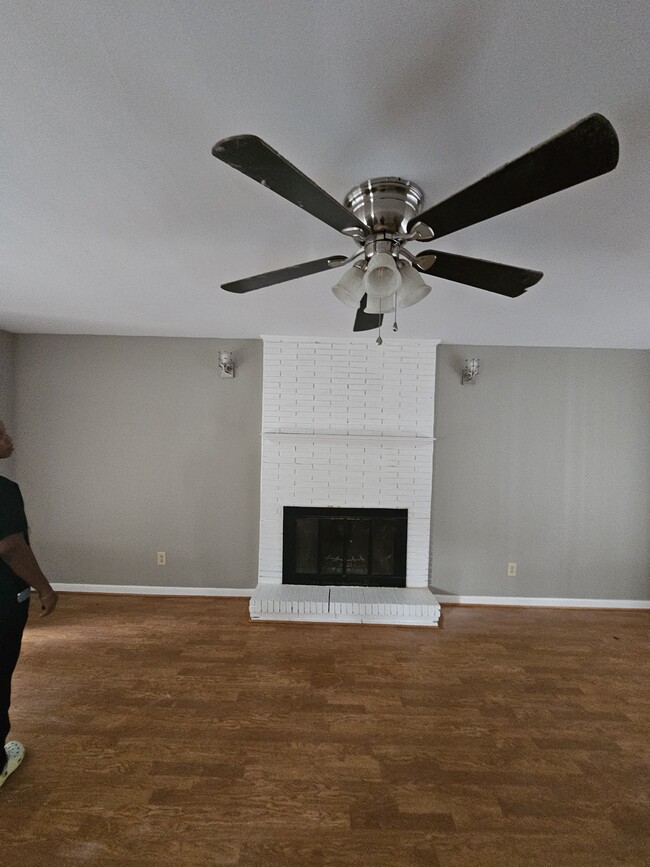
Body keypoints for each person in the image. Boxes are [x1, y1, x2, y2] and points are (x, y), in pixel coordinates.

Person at [0, 420, 58, 788]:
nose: (10, 438)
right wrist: (45, 588)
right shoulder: (4, 491)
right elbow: (9, 547)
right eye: (2, 434)